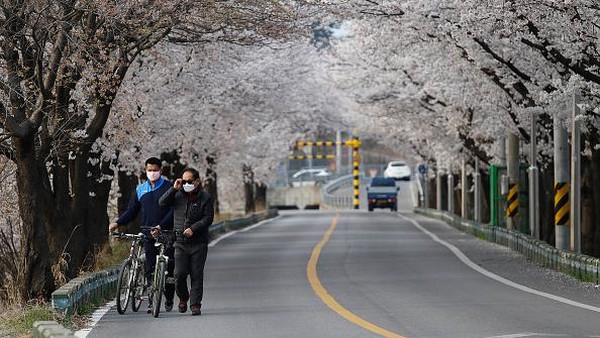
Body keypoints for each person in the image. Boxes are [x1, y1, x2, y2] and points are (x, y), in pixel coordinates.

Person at [109, 157, 176, 313]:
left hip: (166, 233)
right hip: (147, 232)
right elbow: (132, 211)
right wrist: (118, 222)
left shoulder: (169, 187)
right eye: (149, 170)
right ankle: (153, 301)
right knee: (150, 268)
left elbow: (174, 211)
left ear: (161, 170)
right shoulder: (140, 189)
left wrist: (162, 226)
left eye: (155, 170)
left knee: (170, 268)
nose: (152, 173)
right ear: (145, 170)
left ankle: (170, 296)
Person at [159, 167, 214, 316]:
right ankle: (183, 298)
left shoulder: (205, 198)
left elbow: (208, 218)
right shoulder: (178, 195)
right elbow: (162, 203)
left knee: (196, 274)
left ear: (197, 181)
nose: (186, 184)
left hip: (199, 243)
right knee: (179, 274)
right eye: (184, 181)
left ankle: (195, 304)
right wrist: (173, 188)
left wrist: (193, 229)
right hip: (180, 242)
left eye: (189, 181)